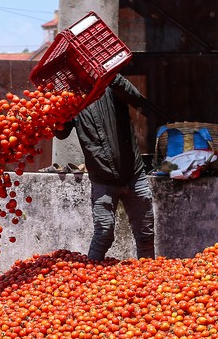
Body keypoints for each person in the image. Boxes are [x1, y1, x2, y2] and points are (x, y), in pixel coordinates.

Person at [55, 73, 155, 261]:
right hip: (102, 180)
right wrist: (55, 116)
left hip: (133, 174)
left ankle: (149, 273)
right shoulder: (71, 100)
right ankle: (90, 278)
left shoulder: (111, 87)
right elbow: (61, 132)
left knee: (145, 234)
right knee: (103, 234)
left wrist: (113, 76)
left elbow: (135, 98)